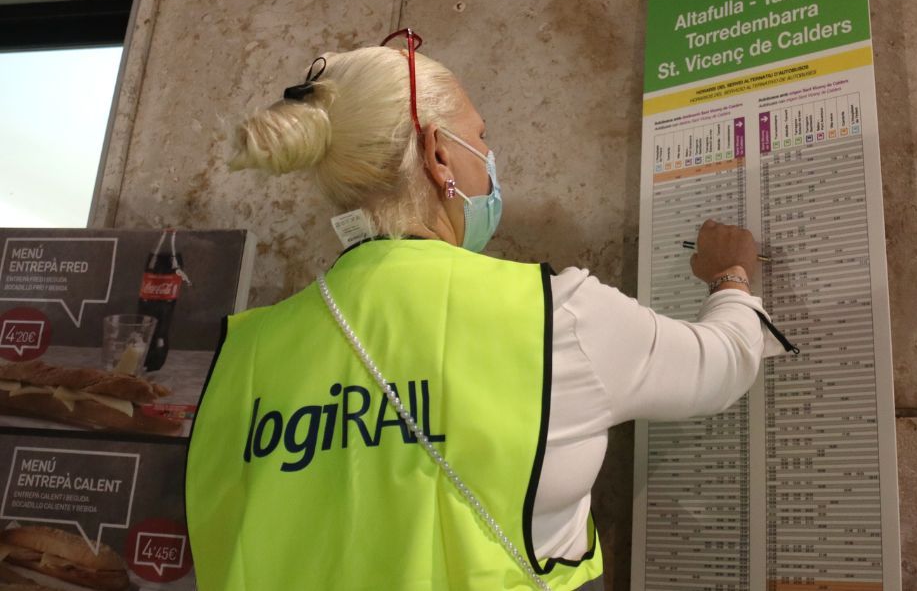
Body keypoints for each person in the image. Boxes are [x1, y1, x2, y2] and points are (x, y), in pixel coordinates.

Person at [185, 30, 779, 591]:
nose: (490, 156)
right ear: (438, 155)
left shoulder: (245, 354)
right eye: (482, 136)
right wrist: (733, 274)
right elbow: (721, 364)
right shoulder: (555, 315)